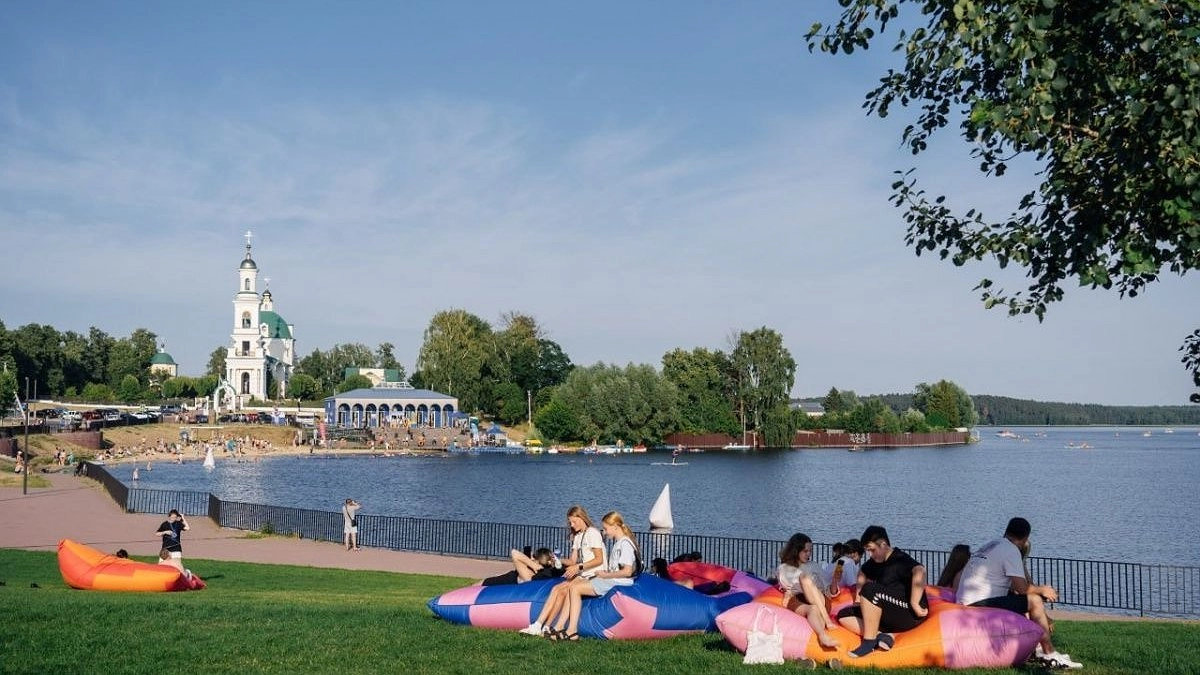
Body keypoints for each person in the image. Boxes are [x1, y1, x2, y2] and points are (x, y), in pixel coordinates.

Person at [955, 517, 1082, 669]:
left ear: (1007, 531)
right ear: (1025, 538)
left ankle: (1037, 648)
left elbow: (1013, 588)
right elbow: (1022, 588)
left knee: (1021, 600)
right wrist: (1042, 590)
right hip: (978, 604)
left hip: (967, 601)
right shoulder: (1011, 550)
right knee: (1034, 601)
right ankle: (1050, 653)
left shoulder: (992, 544)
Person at [543, 511, 641, 641]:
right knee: (572, 587)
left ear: (615, 527)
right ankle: (560, 627)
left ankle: (572, 631)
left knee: (575, 588)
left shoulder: (625, 544)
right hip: (612, 579)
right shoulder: (620, 543)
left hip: (618, 581)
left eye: (606, 529)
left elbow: (627, 572)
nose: (604, 533)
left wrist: (606, 575)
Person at [838, 525, 928, 658]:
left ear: (883, 544)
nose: (870, 554)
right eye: (868, 551)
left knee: (870, 589)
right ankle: (881, 636)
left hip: (908, 613)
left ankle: (868, 643)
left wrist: (915, 603)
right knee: (843, 614)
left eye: (872, 550)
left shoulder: (899, 559)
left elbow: (920, 570)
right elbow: (863, 572)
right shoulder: (876, 561)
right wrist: (857, 598)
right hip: (889, 611)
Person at [519, 505, 606, 637]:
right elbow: (572, 561)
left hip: (594, 575)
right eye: (570, 522)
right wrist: (558, 560)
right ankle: (541, 626)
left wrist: (578, 567)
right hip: (584, 574)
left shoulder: (592, 533)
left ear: (581, 518)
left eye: (573, 521)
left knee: (564, 590)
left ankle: (546, 626)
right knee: (556, 589)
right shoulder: (578, 537)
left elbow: (599, 560)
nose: (572, 525)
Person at [777, 532, 840, 649]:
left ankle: (827, 620)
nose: (808, 554)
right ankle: (822, 636)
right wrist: (789, 592)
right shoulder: (784, 568)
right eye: (805, 551)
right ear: (796, 550)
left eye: (810, 551)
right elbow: (785, 585)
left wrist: (835, 581)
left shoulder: (813, 566)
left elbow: (828, 589)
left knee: (805, 579)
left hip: (820, 599)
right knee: (812, 607)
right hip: (799, 599)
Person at [482, 547, 564, 586]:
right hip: (507, 577)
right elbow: (558, 570)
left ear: (537, 561)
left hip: (502, 580)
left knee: (480, 584)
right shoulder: (546, 573)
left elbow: (514, 553)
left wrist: (533, 565)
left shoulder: (529, 575)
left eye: (533, 558)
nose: (531, 559)